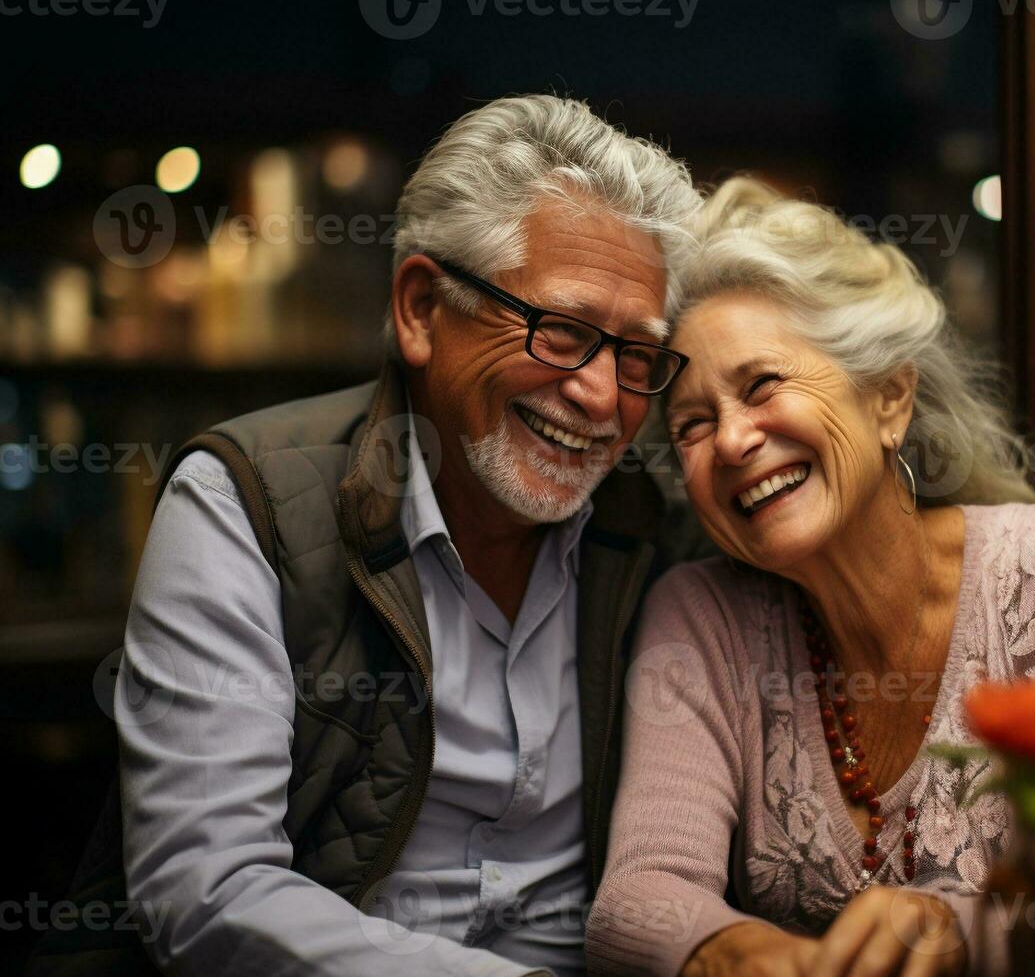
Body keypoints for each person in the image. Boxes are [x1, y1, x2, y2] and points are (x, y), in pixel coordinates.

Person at [29, 94, 704, 977]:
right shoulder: (247, 504)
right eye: (565, 331)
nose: (605, 398)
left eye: (638, 356)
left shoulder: (658, 534)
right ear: (423, 308)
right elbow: (206, 895)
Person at [586, 179, 1035, 976]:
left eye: (763, 385)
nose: (731, 441)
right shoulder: (700, 618)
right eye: (692, 425)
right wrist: (737, 952)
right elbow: (639, 897)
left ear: (890, 398)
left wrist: (957, 931)